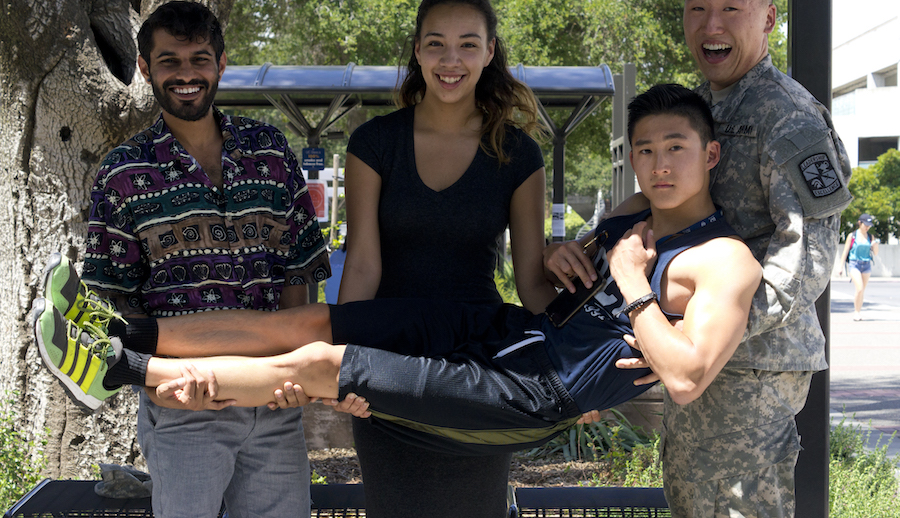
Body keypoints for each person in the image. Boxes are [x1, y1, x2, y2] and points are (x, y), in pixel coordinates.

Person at [35, 83, 761, 461]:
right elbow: (571, 269)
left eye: (677, 148)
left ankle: (116, 367)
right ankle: (123, 327)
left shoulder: (724, 261)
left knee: (321, 361)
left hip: (533, 392)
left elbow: (690, 378)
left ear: (711, 157)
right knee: (308, 318)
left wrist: (632, 285)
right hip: (510, 330)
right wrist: (566, 256)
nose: (660, 165)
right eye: (646, 150)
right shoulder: (641, 208)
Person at [546, 0, 853, 518]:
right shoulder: (710, 104)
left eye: (730, 8)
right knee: (691, 498)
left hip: (747, 367)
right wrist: (590, 246)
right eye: (697, 7)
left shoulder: (789, 117)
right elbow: (661, 201)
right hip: (699, 354)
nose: (711, 25)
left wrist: (705, 333)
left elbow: (805, 259)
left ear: (767, 18)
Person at [70, 1, 332, 518]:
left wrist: (295, 372)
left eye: (199, 59)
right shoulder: (123, 174)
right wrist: (160, 383)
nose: (186, 74)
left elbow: (297, 270)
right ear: (145, 68)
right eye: (170, 61)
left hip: (272, 394)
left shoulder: (269, 151)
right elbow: (111, 305)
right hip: (186, 402)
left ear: (221, 62)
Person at [337, 0, 558, 517]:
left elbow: (531, 282)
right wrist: (341, 359)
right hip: (388, 355)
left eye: (467, 43)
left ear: (489, 51)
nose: (450, 59)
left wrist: (571, 359)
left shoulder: (518, 154)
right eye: (435, 43)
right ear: (417, 51)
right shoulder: (374, 144)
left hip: (476, 363)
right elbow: (363, 263)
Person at [838, 213, 879, 321]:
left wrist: (875, 245)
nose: (867, 227)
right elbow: (845, 251)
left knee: (861, 291)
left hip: (866, 264)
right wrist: (840, 266)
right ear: (860, 223)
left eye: (869, 225)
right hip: (854, 263)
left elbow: (875, 253)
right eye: (865, 224)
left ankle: (858, 311)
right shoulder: (852, 236)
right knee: (859, 288)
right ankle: (856, 312)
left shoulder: (870, 236)